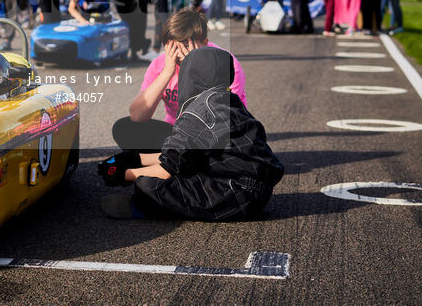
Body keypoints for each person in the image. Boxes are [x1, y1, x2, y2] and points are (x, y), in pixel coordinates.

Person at [98, 46, 283, 221]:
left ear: (191, 75)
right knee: (182, 168)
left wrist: (124, 173)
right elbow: (183, 155)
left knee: (147, 185)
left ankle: (145, 207)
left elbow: (167, 169)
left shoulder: (200, 111)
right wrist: (135, 158)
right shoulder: (227, 100)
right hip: (253, 188)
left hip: (236, 193)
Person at [111, 8, 247, 153]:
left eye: (186, 46)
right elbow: (138, 115)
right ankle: (174, 161)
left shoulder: (225, 63)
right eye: (173, 47)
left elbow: (220, 118)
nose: (179, 53)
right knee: (124, 128)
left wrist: (193, 69)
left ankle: (171, 162)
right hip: (179, 133)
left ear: (204, 43)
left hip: (217, 134)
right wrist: (167, 73)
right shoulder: (160, 64)